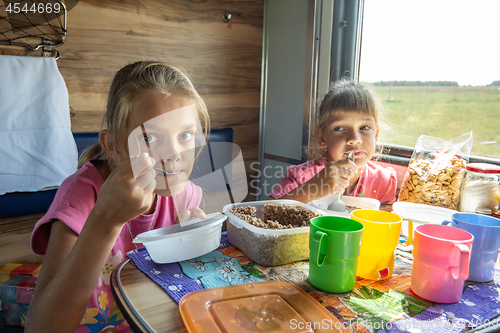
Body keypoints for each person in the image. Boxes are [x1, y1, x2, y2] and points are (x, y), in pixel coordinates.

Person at [25, 61, 210, 333]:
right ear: (114, 146)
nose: (173, 154)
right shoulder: (81, 195)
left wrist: (192, 250)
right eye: (149, 137)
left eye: (184, 135)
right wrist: (105, 220)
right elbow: (40, 328)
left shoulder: (186, 195)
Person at [269, 79, 397, 204]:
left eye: (364, 127)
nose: (354, 139)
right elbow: (262, 216)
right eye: (340, 128)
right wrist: (310, 190)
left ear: (376, 134)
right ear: (322, 137)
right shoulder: (302, 178)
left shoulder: (383, 181)